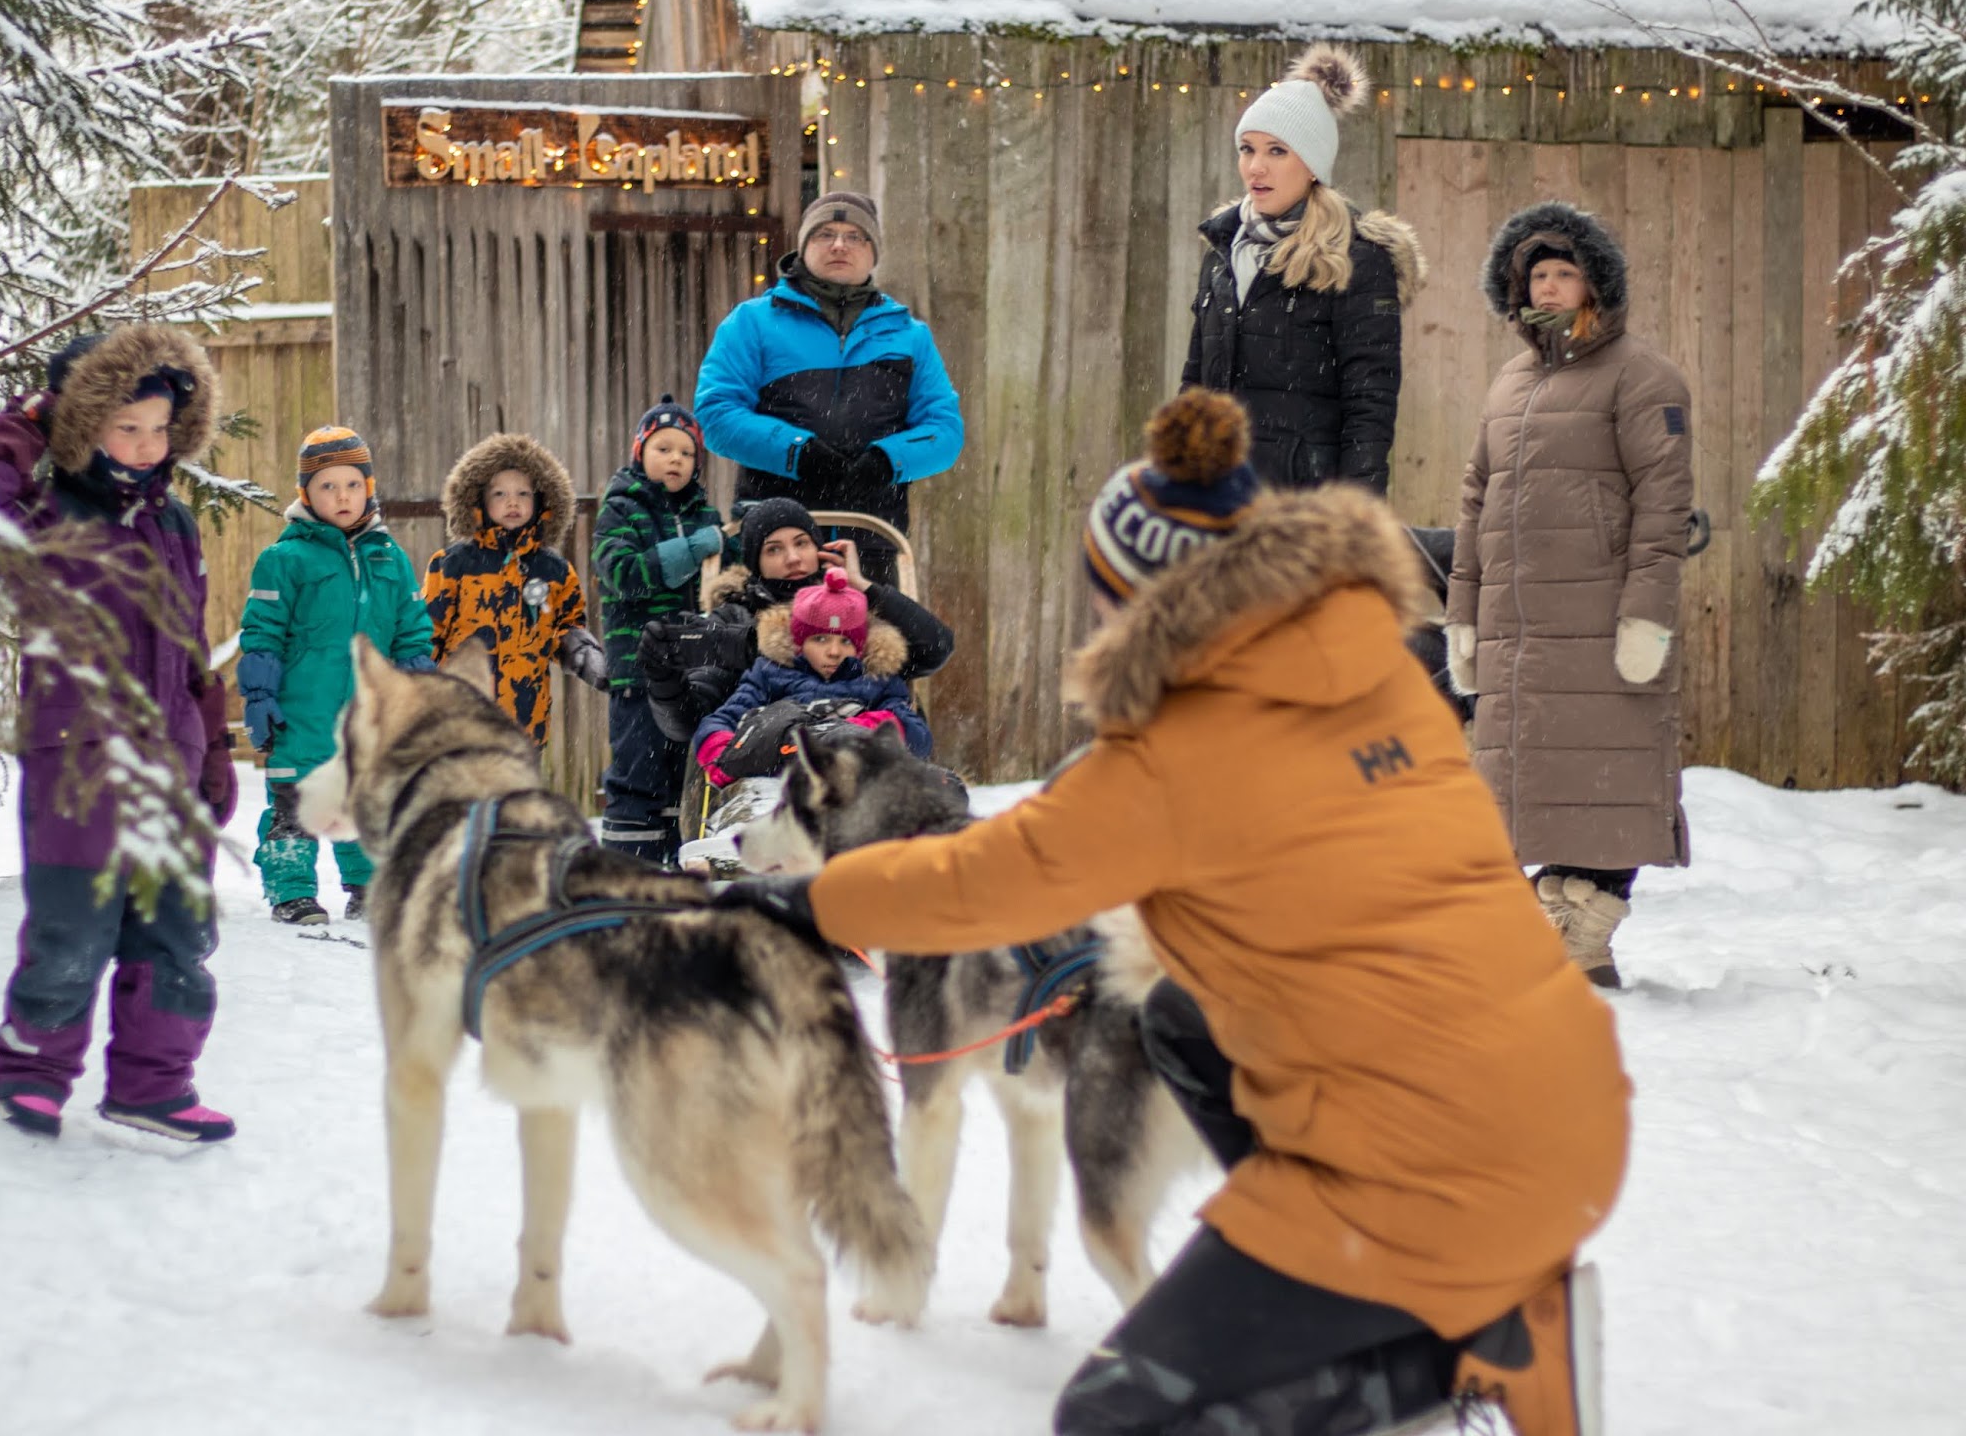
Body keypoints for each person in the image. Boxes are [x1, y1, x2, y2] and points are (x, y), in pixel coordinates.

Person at [726, 389, 1630, 1436]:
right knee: (1178, 1020)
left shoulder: (1172, 756)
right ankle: (1402, 1306)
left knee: (1117, 1419)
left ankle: (1471, 1347)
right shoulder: (1384, 677)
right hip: (1570, 1103)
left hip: (1421, 1170)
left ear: (1136, 602)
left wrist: (814, 899)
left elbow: (983, 881)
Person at [0, 326, 239, 1144]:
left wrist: (213, 753)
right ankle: (33, 1069)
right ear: (82, 424)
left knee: (179, 933)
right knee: (72, 923)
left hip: (171, 759)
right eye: (127, 427)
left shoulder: (175, 525)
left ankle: (154, 1086)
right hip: (77, 757)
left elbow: (191, 647)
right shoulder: (47, 515)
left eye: (160, 429)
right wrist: (31, 418)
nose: (147, 446)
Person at [1447, 201, 1695, 990]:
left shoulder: (1641, 375)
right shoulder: (1511, 381)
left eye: (1565, 273)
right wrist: (1462, 616)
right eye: (1538, 275)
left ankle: (1585, 926)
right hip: (1520, 628)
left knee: (1606, 770)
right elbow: (1475, 498)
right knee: (1539, 777)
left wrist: (1645, 616)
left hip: (1597, 617)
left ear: (1596, 285)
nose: (1549, 287)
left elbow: (1665, 502)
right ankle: (1550, 923)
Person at [1179, 44, 1424, 495]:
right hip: (1217, 499)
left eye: (1276, 151)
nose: (1256, 167)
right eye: (1247, 149)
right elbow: (1195, 386)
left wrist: (1357, 515)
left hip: (1303, 506)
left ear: (1312, 165)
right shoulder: (1222, 251)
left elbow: (1369, 404)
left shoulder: (1355, 258)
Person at [694, 191, 963, 584]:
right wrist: (796, 453)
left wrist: (887, 460)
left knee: (872, 645)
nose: (839, 244)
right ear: (803, 247)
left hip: (871, 538)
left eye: (856, 236)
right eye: (824, 233)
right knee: (768, 645)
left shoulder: (909, 336)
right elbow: (717, 414)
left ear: (873, 253)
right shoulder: (752, 323)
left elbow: (945, 430)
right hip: (774, 541)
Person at [237, 426, 438, 928]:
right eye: (327, 486)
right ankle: (292, 891)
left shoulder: (390, 559)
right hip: (302, 711)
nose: (342, 496)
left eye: (352, 484)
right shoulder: (284, 560)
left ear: (368, 488)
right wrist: (259, 694)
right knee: (294, 802)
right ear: (306, 493)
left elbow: (412, 637)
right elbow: (261, 635)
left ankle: (369, 887)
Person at [639, 494, 954, 747]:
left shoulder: (851, 608)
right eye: (774, 549)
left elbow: (936, 647)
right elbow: (688, 724)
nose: (792, 557)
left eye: (802, 543)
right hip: (769, 762)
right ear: (755, 562)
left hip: (867, 752)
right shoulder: (734, 616)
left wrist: (864, 588)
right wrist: (665, 680)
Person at [591, 396, 735, 862]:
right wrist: (693, 548)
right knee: (639, 773)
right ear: (640, 452)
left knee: (686, 774)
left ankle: (681, 861)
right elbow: (624, 575)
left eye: (686, 453)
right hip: (637, 675)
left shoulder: (705, 516)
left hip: (693, 677)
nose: (675, 459)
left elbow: (721, 586)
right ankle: (629, 867)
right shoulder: (621, 510)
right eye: (663, 448)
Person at [418, 431, 602, 745]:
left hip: (526, 725)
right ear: (478, 501)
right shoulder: (451, 566)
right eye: (499, 494)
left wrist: (587, 657)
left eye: (524, 494)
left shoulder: (554, 571)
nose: (512, 502)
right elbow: (427, 634)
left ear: (542, 500)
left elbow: (566, 627)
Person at [691, 569, 932, 787]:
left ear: (860, 647)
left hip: (856, 781)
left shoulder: (877, 680)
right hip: (776, 781)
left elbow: (917, 735)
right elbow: (723, 718)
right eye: (821, 639)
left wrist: (864, 729)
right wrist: (723, 755)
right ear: (799, 642)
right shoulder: (770, 673)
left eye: (845, 641)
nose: (834, 651)